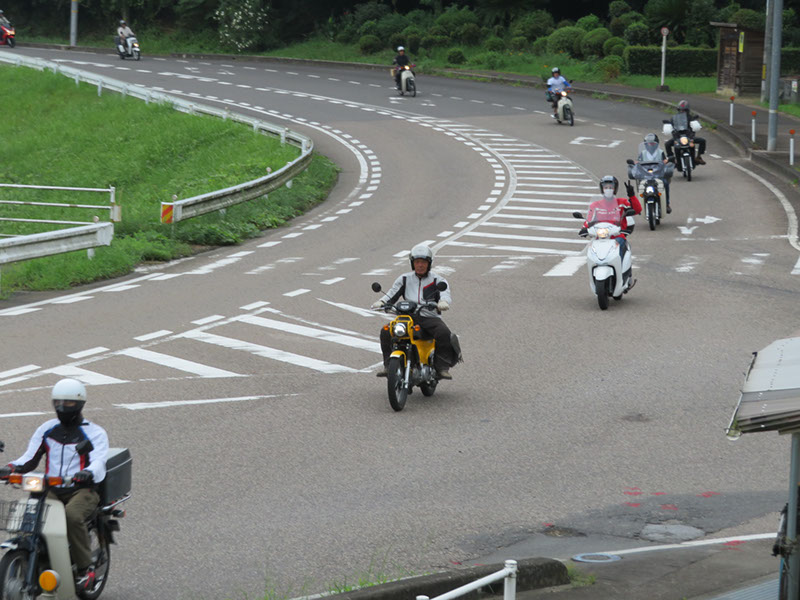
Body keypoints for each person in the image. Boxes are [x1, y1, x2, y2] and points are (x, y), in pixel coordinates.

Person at [0, 378, 109, 593]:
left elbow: (99, 461)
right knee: (31, 517)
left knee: (71, 516)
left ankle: (85, 570)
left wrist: (87, 473)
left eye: (68, 403)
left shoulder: (95, 433)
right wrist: (10, 468)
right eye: (58, 402)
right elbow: (29, 458)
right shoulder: (47, 429)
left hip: (82, 490)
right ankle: (37, 558)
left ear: (79, 404)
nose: (62, 407)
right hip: (51, 488)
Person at [371, 244, 456, 380]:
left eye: (423, 262)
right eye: (417, 262)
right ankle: (388, 366)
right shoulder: (404, 279)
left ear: (429, 263)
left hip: (429, 317)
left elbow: (445, 294)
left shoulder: (438, 280)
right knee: (386, 331)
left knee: (443, 332)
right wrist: (382, 302)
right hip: (407, 317)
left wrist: (443, 302)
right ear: (412, 263)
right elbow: (392, 294)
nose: (420, 265)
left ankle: (441, 367)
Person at [581, 176, 642, 290]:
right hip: (600, 237)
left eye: (611, 187)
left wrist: (632, 195)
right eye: (606, 187)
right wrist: (584, 228)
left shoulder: (622, 203)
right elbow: (588, 220)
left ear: (615, 189)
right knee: (592, 250)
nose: (608, 189)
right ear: (602, 189)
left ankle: (626, 276)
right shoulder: (595, 205)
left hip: (617, 236)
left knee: (622, 248)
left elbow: (637, 209)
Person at [635, 132, 673, 213]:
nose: (651, 145)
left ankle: (667, 204)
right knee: (640, 185)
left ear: (656, 144)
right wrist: (636, 163)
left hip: (658, 174)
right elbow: (639, 161)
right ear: (645, 144)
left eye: (652, 144)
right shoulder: (643, 153)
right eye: (649, 144)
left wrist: (666, 161)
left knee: (665, 183)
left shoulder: (660, 152)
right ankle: (639, 205)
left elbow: (664, 161)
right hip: (645, 175)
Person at [664, 100, 706, 165]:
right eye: (680, 110)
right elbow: (671, 126)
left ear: (687, 110)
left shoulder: (690, 118)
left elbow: (694, 127)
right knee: (667, 144)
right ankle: (672, 158)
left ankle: (698, 157)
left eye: (684, 110)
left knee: (702, 141)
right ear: (678, 110)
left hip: (689, 137)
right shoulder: (674, 118)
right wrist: (668, 123)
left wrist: (695, 122)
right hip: (678, 137)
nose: (682, 111)